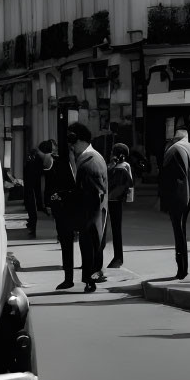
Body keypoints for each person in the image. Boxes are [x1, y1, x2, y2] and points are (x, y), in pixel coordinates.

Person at [158, 124, 190, 280]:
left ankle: (181, 268)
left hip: (179, 195)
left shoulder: (174, 149)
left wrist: (164, 202)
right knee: (181, 229)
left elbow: (168, 179)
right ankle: (184, 268)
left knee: (178, 230)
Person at [67, 123, 109, 292]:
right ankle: (91, 278)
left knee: (90, 247)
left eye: (74, 143)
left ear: (81, 141)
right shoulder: (91, 157)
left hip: (91, 214)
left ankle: (91, 280)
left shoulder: (90, 161)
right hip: (93, 213)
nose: (72, 147)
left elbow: (93, 194)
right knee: (91, 247)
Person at [42, 138, 78, 290]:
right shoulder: (67, 162)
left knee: (67, 241)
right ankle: (71, 277)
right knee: (66, 241)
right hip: (65, 206)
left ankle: (72, 277)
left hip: (66, 206)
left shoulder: (62, 162)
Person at [106, 143, 133, 269]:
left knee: (115, 229)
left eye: (113, 151)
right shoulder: (121, 166)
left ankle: (118, 258)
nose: (110, 153)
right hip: (113, 200)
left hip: (114, 200)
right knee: (115, 229)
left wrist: (112, 166)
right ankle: (118, 257)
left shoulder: (122, 166)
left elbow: (127, 185)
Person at [23, 142, 51, 239]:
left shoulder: (33, 159)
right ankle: (34, 228)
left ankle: (33, 227)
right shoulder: (39, 160)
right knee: (35, 209)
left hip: (31, 189)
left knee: (33, 209)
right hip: (35, 189)